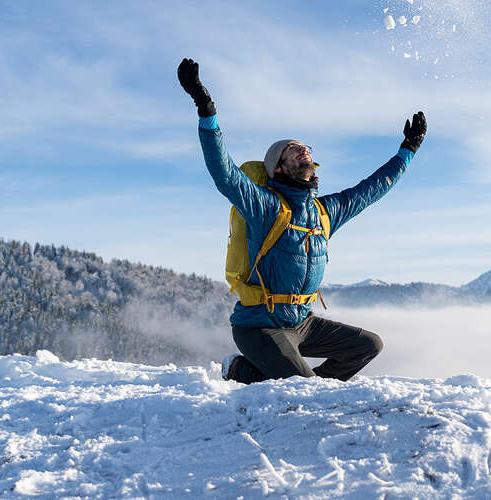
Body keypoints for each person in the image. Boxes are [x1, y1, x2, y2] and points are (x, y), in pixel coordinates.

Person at [177, 58, 426, 384]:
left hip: (302, 324)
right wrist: (205, 107)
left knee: (368, 346)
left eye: (304, 147)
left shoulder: (324, 213)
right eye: (291, 149)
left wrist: (407, 149)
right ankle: (255, 373)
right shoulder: (265, 207)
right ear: (278, 168)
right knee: (305, 388)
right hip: (259, 326)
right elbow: (224, 174)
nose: (302, 150)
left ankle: (270, 377)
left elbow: (371, 190)